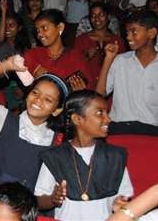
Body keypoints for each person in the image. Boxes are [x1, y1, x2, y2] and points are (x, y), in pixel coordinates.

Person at [0, 60, 68, 191]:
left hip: (31, 208)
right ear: (27, 95)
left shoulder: (57, 140)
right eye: (35, 93)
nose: (38, 100)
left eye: (48, 99)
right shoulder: (5, 119)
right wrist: (5, 66)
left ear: (57, 110)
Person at [35, 90, 133, 220]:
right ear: (77, 119)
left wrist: (121, 204)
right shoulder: (56, 156)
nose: (108, 119)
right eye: (100, 113)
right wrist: (53, 199)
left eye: (107, 113)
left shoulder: (115, 156)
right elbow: (40, 200)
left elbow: (124, 198)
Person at [96, 10, 158, 135]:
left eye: (134, 32)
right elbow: (99, 94)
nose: (128, 37)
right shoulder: (120, 60)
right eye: (127, 32)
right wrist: (108, 59)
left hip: (152, 129)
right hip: (119, 126)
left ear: (151, 33)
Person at [23, 9, 94, 91]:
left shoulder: (77, 57)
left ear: (60, 27)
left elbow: (89, 91)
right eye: (37, 30)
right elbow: (26, 91)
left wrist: (79, 93)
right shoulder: (32, 55)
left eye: (44, 28)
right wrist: (35, 82)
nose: (40, 34)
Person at [74, 3, 125, 84]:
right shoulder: (81, 40)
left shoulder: (117, 40)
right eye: (93, 16)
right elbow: (74, 65)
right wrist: (86, 56)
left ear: (108, 17)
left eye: (101, 15)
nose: (97, 19)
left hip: (111, 85)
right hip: (88, 85)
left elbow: (123, 67)